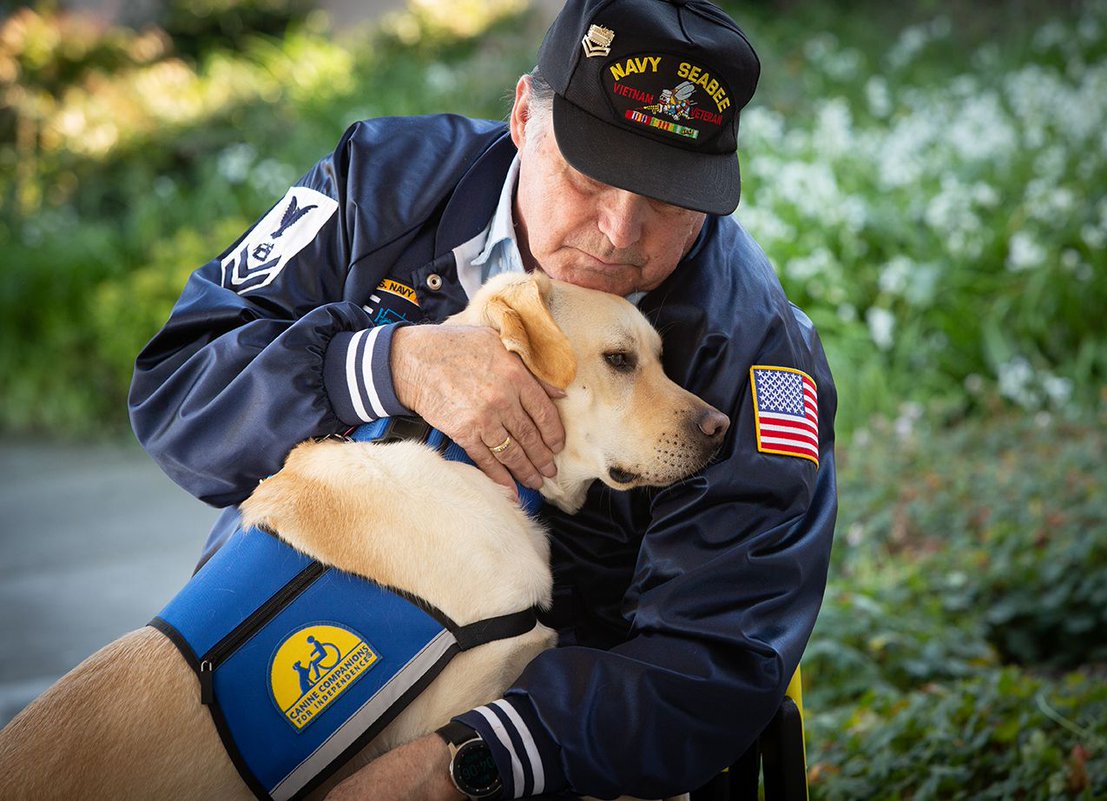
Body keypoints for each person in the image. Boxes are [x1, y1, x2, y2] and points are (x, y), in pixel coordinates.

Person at [129, 0, 838, 798]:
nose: (619, 231)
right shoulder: (379, 183)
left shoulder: (756, 356)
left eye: (668, 200)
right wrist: (385, 362)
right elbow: (176, 386)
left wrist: (465, 761)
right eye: (590, 175)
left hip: (540, 746)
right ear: (522, 116)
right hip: (269, 675)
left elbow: (717, 655)